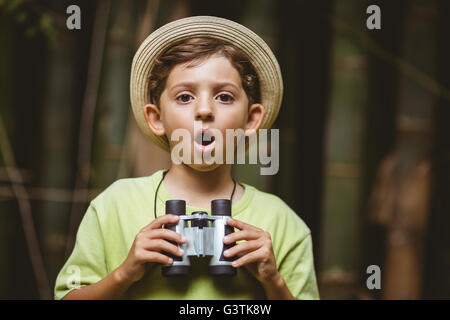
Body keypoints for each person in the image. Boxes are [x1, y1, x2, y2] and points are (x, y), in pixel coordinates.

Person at [54, 16, 319, 300]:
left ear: (251, 119)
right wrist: (125, 273)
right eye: (184, 97)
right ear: (156, 119)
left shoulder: (282, 222)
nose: (204, 110)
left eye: (224, 97)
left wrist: (273, 281)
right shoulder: (114, 206)